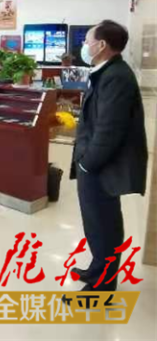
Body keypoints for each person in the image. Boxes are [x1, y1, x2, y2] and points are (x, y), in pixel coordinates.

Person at [69, 20, 148, 293]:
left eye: (87, 41)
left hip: (100, 167)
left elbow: (109, 130)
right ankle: (96, 269)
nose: (84, 46)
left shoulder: (117, 77)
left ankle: (102, 288)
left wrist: (87, 164)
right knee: (96, 223)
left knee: (104, 226)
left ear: (101, 45)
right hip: (94, 163)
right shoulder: (106, 71)